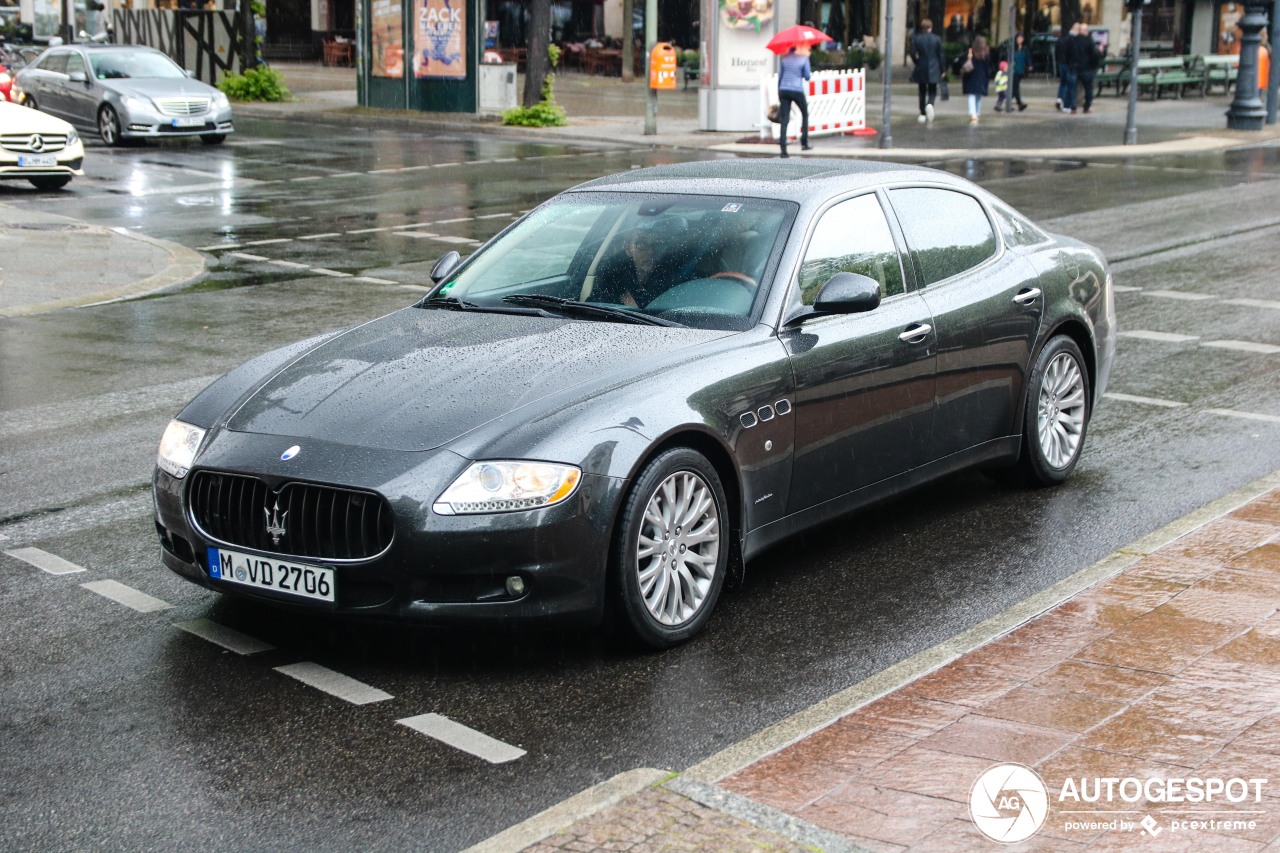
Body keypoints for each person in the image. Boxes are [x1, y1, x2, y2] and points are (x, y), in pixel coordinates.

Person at [593, 222, 681, 308]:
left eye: (656, 244)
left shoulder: (674, 281)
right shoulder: (611, 283)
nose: (651, 251)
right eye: (642, 244)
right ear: (628, 249)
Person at [777, 45, 812, 157]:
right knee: (805, 114)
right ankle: (804, 142)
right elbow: (807, 76)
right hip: (797, 90)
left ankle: (783, 150)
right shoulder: (804, 59)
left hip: (784, 90)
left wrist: (779, 93)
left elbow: (780, 77)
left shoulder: (784, 59)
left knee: (785, 119)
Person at [909, 18, 945, 124]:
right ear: (931, 27)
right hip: (934, 66)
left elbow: (912, 53)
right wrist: (943, 69)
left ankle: (922, 112)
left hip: (922, 65)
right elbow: (940, 55)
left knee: (922, 90)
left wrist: (917, 62)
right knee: (933, 89)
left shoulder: (917, 38)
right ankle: (930, 103)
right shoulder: (936, 39)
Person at [1071, 22, 1101, 113]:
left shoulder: (1073, 40)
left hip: (1075, 68)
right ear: (1086, 31)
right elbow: (1094, 55)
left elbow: (1068, 54)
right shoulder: (1089, 41)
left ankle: (1073, 107)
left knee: (1073, 89)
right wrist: (1094, 65)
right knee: (1088, 88)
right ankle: (1086, 107)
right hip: (1087, 68)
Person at [962, 35, 992, 123]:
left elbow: (964, 62)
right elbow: (987, 66)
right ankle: (977, 112)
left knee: (972, 95)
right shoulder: (986, 53)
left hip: (971, 76)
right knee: (978, 96)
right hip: (981, 76)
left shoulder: (971, 52)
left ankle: (973, 113)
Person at [1055, 26, 1075, 111]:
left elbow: (1056, 52)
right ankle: (1064, 101)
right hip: (1068, 64)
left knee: (1063, 82)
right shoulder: (1071, 41)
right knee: (1068, 83)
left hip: (1061, 62)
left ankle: (1059, 98)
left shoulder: (1060, 40)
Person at [1010, 32, 1029, 110]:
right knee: (1015, 87)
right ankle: (1019, 103)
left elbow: (1027, 58)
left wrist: (1029, 65)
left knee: (1015, 88)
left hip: (1020, 70)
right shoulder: (1013, 48)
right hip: (1014, 70)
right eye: (1018, 38)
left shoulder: (1024, 49)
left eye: (1021, 38)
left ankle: (1004, 102)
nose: (1020, 40)